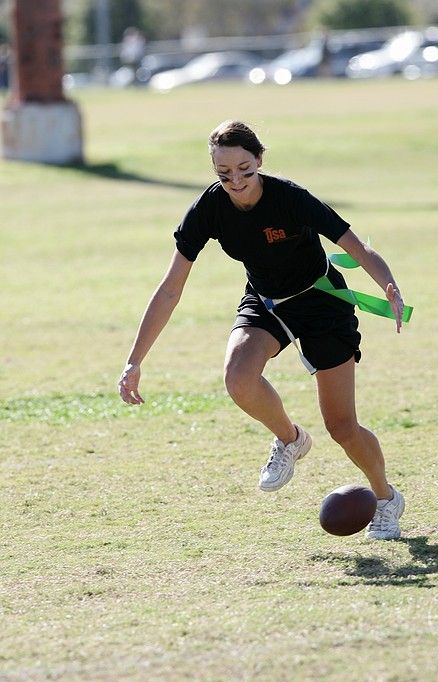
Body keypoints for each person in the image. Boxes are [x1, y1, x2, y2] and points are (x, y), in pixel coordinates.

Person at [118, 120, 406, 540]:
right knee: (238, 378)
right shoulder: (209, 209)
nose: (235, 180)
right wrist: (134, 361)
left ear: (260, 161)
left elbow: (357, 248)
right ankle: (290, 440)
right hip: (267, 301)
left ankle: (385, 498)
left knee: (342, 427)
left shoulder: (291, 198)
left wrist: (388, 285)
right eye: (224, 173)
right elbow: (169, 290)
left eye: (245, 169)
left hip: (322, 302)